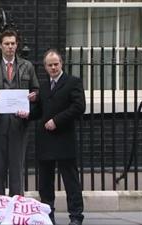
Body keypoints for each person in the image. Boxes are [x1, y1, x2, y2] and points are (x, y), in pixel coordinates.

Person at [24, 49, 85, 225]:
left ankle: (76, 216)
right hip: (46, 140)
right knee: (45, 182)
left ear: (61, 64)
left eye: (56, 64)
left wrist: (56, 121)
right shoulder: (43, 87)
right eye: (49, 65)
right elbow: (39, 112)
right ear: (45, 67)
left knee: (71, 181)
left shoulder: (73, 82)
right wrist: (26, 112)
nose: (53, 68)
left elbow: (79, 107)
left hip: (64, 138)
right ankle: (47, 215)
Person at [0, 29, 39, 196]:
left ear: (17, 45)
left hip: (18, 123)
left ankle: (16, 206)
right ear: (0, 45)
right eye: (7, 43)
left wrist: (34, 96)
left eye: (13, 43)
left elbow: (36, 90)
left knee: (16, 167)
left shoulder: (27, 66)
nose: (10, 47)